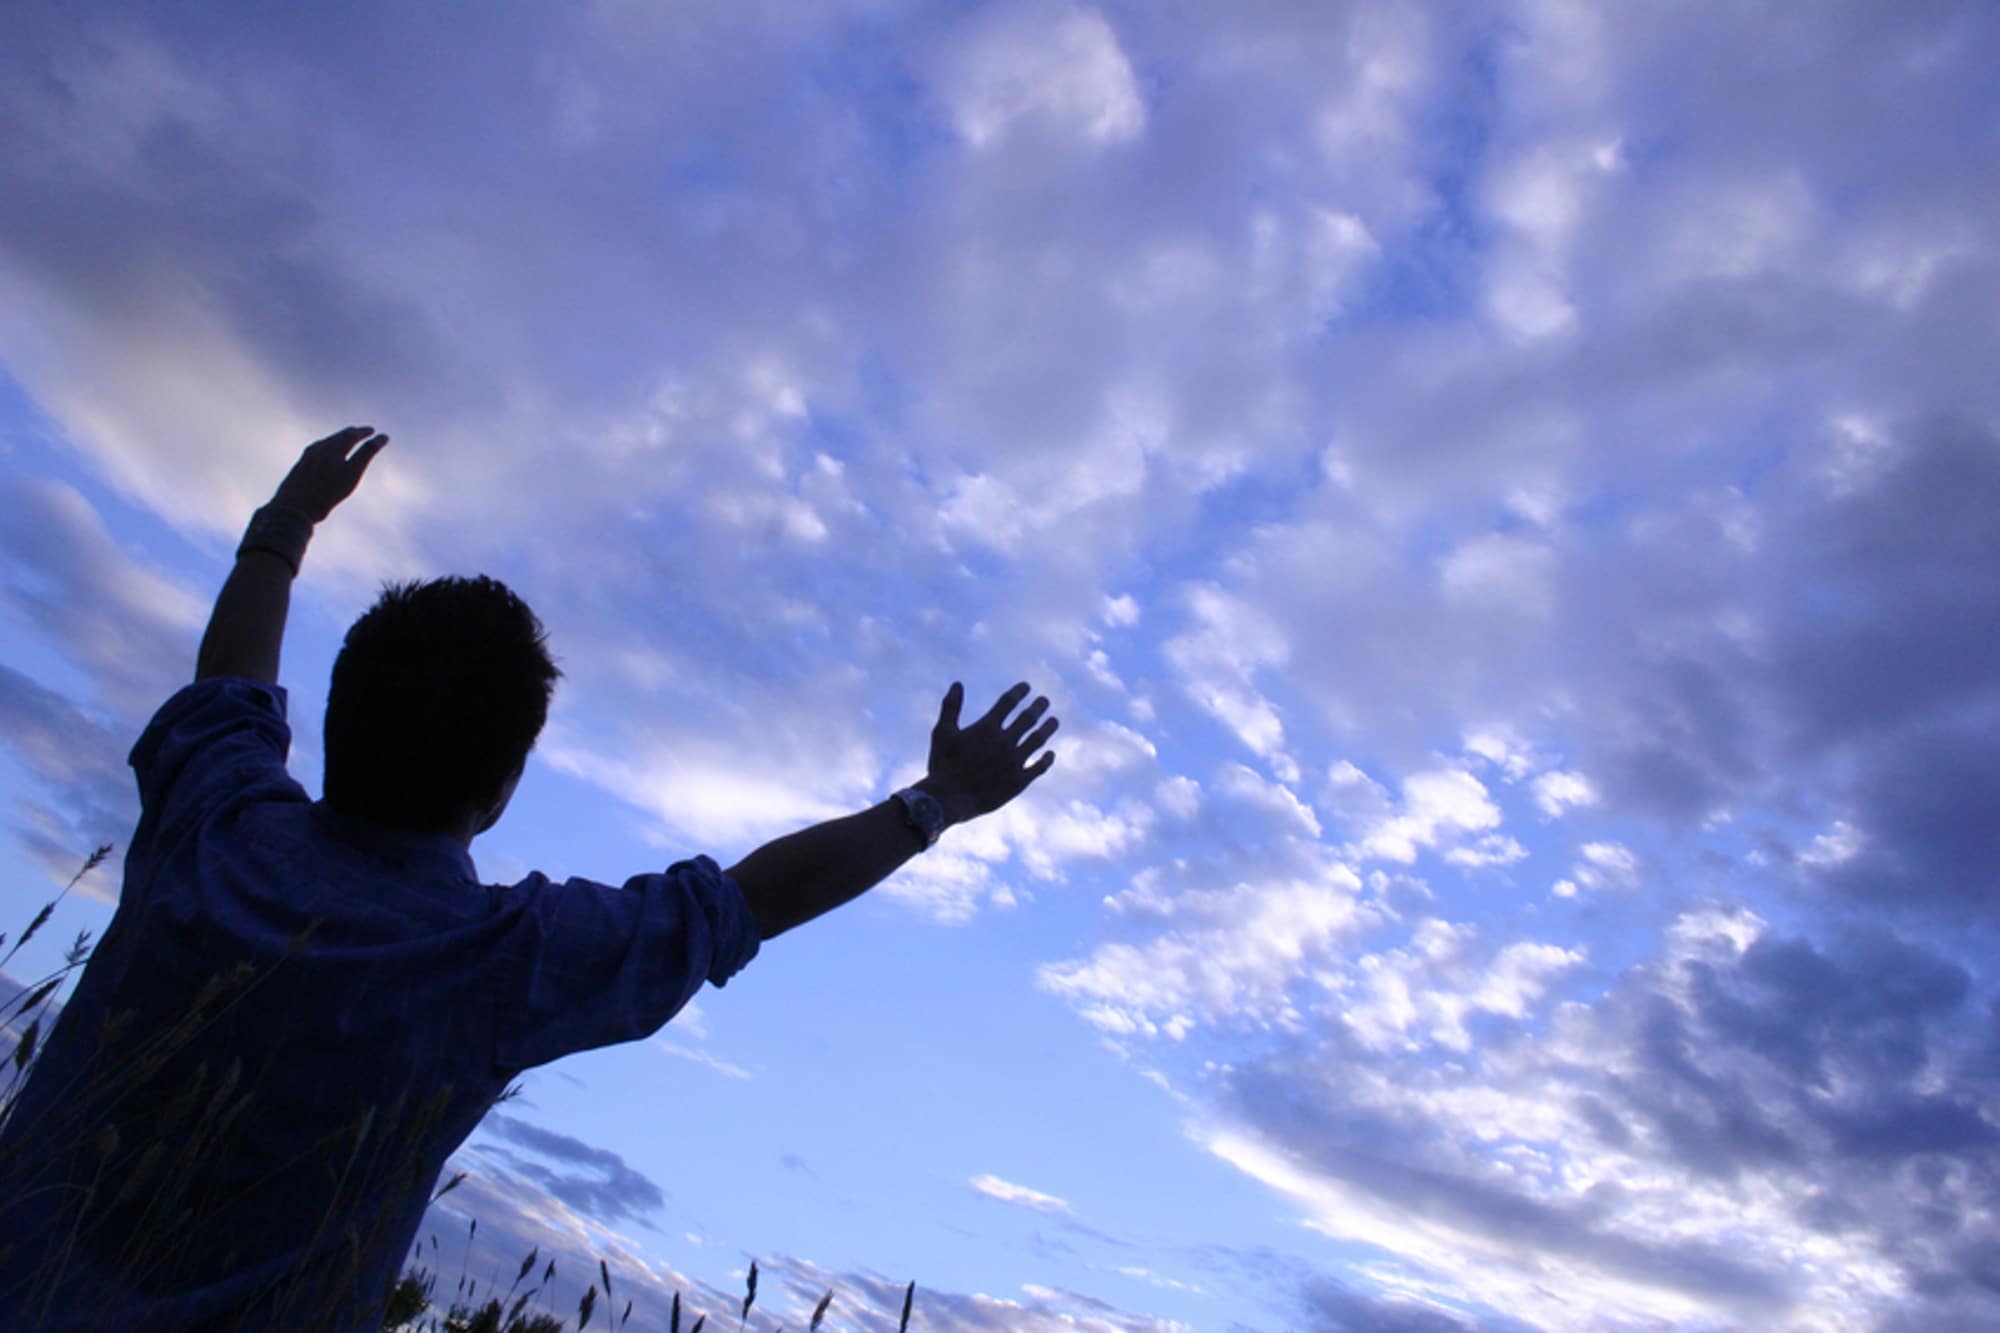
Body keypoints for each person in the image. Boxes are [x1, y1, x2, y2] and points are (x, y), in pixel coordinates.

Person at [0, 427, 1059, 1330]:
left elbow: (227, 683)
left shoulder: (213, 825)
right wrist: (933, 805)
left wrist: (286, 523)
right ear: (502, 786)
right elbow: (748, 901)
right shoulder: (496, 963)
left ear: (333, 716)